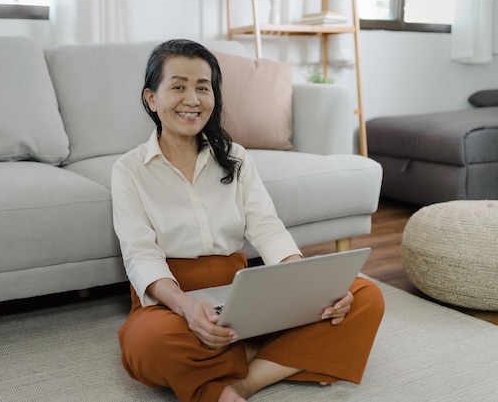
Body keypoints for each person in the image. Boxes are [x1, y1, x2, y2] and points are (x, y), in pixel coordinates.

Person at [111, 38, 385, 402]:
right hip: (172, 298)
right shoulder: (128, 170)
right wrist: (186, 306)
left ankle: (242, 382)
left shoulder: (236, 158)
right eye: (178, 87)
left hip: (242, 292)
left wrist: (305, 283)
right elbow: (140, 255)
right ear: (151, 98)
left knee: (364, 295)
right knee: (146, 344)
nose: (192, 99)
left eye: (203, 88)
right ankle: (288, 354)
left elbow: (267, 228)